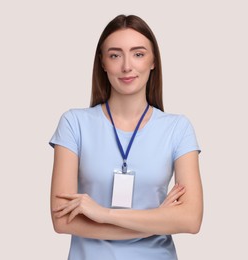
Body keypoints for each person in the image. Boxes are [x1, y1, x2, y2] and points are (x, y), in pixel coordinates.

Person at [49, 14, 203, 260]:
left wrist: (103, 214)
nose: (127, 66)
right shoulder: (74, 123)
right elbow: (62, 220)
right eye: (115, 55)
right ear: (103, 63)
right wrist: (157, 219)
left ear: (153, 61)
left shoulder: (178, 128)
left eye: (138, 54)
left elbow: (191, 219)